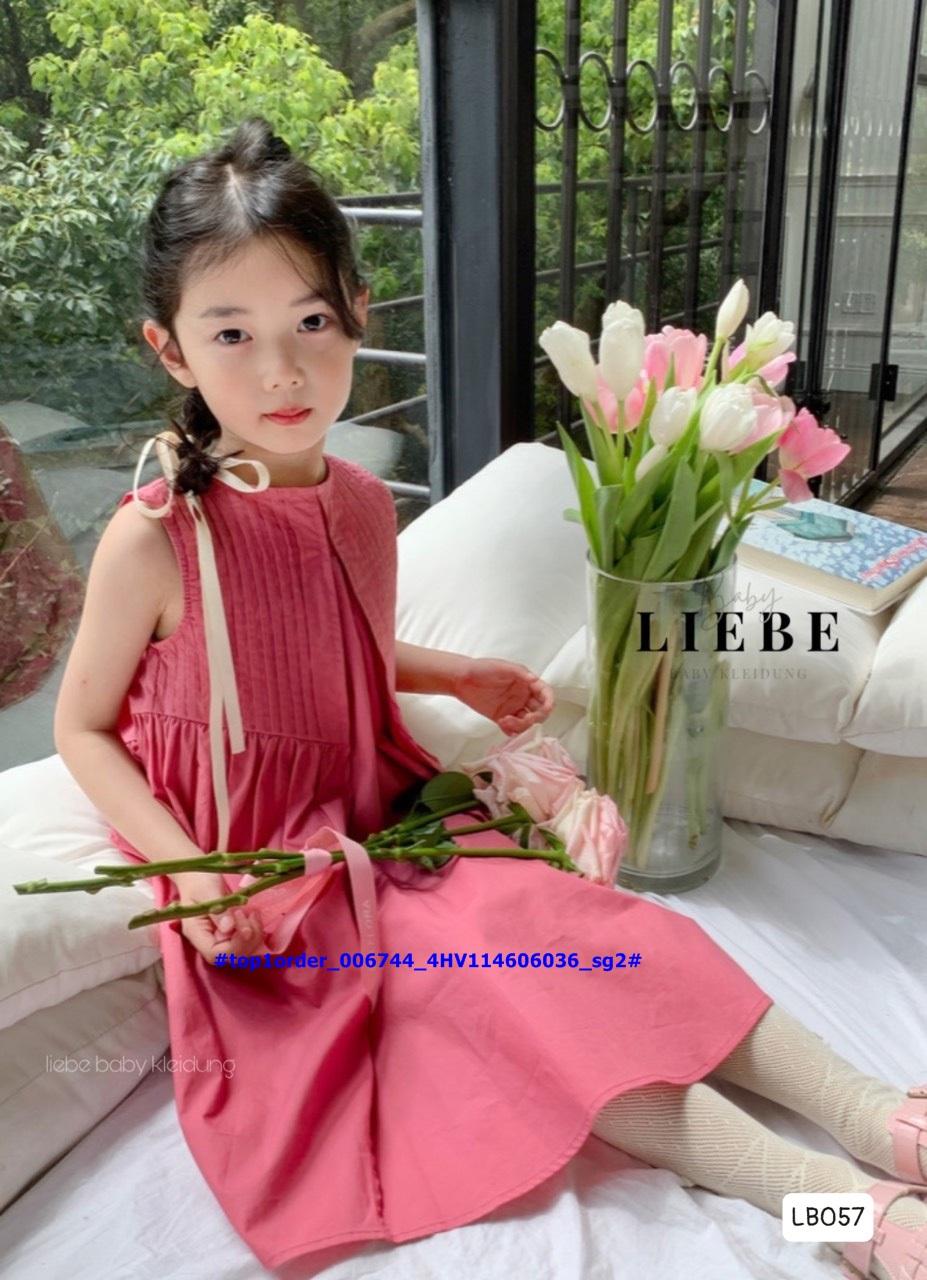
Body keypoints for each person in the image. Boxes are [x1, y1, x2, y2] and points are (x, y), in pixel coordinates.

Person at [53, 116, 926, 1278]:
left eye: (311, 322)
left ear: (360, 311)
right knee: (530, 1009)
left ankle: (877, 1113)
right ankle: (836, 1208)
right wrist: (190, 867)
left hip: (386, 811)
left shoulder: (362, 504)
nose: (281, 371)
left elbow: (337, 647)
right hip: (269, 875)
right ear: (171, 351)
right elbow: (81, 726)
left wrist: (448, 671)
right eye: (232, 334)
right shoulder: (156, 538)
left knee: (603, 938)